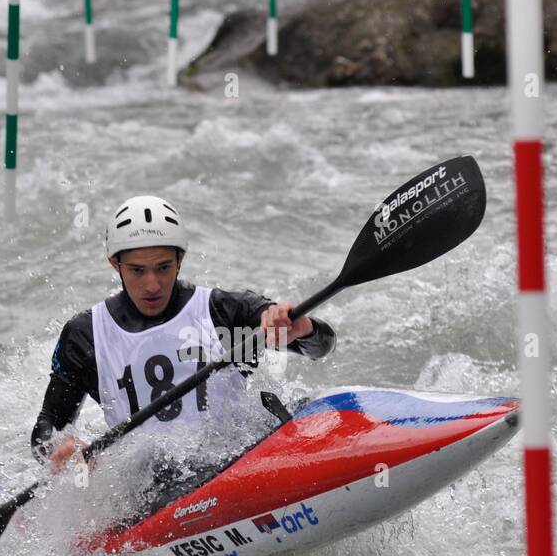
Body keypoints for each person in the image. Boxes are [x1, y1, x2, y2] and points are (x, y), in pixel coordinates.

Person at [31, 195, 336, 483]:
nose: (152, 285)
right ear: (115, 264)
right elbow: (46, 427)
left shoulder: (222, 312)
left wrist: (303, 329)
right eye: (137, 270)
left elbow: (321, 346)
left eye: (163, 267)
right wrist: (61, 447)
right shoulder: (87, 336)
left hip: (237, 462)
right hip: (152, 488)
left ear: (181, 258)